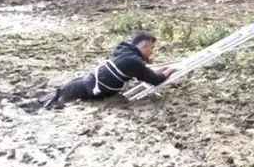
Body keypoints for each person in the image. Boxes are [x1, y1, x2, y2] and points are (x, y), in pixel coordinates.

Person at [39, 31, 176, 109]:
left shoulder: (124, 51)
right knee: (53, 105)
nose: (152, 52)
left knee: (52, 97)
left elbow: (147, 72)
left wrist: (163, 69)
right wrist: (170, 70)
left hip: (84, 81)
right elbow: (155, 80)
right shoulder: (134, 61)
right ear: (144, 45)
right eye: (151, 48)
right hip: (89, 88)